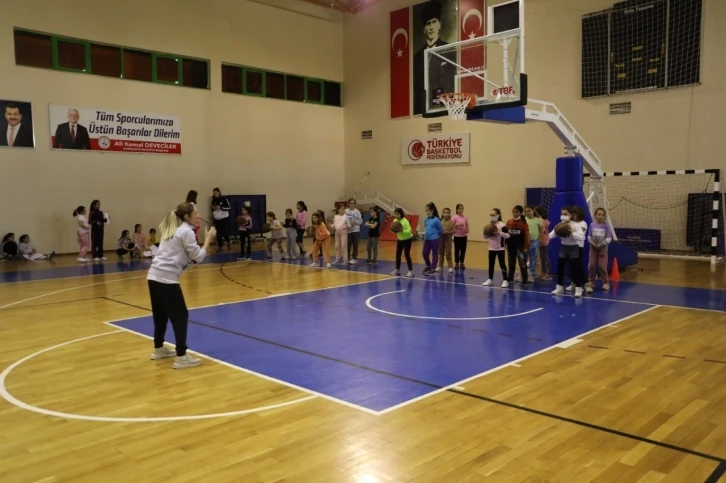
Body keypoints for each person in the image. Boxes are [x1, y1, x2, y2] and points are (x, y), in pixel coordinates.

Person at [147, 203, 215, 369]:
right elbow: (198, 257)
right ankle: (181, 356)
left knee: (160, 315)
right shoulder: (186, 231)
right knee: (180, 316)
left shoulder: (174, 230)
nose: (197, 216)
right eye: (195, 213)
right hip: (166, 279)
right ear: (186, 216)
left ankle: (158, 348)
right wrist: (208, 239)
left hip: (153, 276)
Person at [413, 1, 456, 115]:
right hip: (423, 107)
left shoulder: (449, 50)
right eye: (428, 24)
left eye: (434, 22)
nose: (431, 27)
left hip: (443, 105)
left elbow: (450, 82)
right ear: (424, 29)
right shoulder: (417, 57)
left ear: (439, 25)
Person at [550, 206, 586, 297]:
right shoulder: (560, 225)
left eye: (565, 214)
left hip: (574, 247)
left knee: (575, 268)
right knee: (560, 267)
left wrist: (572, 233)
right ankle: (559, 287)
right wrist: (545, 237)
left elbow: (582, 237)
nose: (563, 215)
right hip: (564, 247)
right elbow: (552, 234)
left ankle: (578, 288)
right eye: (562, 214)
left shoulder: (575, 225)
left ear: (571, 215)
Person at [586, 208, 613, 292]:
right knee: (591, 266)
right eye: (599, 214)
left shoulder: (606, 226)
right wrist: (592, 243)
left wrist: (601, 244)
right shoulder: (591, 225)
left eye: (602, 215)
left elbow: (609, 238)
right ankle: (591, 281)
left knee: (602, 267)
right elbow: (589, 236)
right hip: (593, 249)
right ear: (595, 215)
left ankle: (606, 282)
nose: (601, 216)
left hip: (603, 249)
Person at [482, 208, 510, 287]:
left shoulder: (502, 225)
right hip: (491, 248)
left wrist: (499, 233)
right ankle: (490, 279)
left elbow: (508, 235)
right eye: (490, 215)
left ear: (498, 215)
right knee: (491, 264)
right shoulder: (489, 225)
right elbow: (485, 237)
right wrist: (484, 233)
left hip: (500, 248)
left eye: (493, 215)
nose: (492, 216)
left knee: (502, 264)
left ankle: (505, 280)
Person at [505, 205, 530, 286]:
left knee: (522, 263)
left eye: (517, 212)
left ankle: (524, 280)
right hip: (511, 246)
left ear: (521, 213)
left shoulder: (523, 223)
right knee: (511, 262)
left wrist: (526, 247)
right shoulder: (509, 221)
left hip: (520, 246)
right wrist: (505, 243)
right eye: (514, 212)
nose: (515, 214)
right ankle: (510, 277)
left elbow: (526, 235)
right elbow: (506, 234)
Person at [390, 208, 414, 278]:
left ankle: (411, 271)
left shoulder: (405, 221)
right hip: (400, 239)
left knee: (406, 254)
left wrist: (402, 230)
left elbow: (409, 231)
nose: (396, 215)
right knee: (398, 255)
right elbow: (393, 230)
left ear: (401, 214)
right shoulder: (395, 220)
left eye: (398, 214)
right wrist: (393, 230)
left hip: (407, 239)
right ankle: (397, 269)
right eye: (395, 214)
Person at [422, 202, 443, 276]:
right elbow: (426, 228)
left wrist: (436, 236)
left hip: (435, 239)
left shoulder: (436, 220)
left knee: (435, 253)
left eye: (428, 210)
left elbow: (440, 230)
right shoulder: (426, 219)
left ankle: (433, 268)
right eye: (426, 211)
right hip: (427, 239)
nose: (426, 212)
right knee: (424, 253)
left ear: (432, 210)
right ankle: (429, 265)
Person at [524, 205, 543, 280]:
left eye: (529, 211)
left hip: (534, 242)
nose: (527, 212)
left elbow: (541, 231)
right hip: (525, 242)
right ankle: (523, 274)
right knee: (523, 259)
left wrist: (539, 240)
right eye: (526, 211)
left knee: (533, 259)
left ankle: (531, 274)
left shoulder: (537, 220)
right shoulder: (523, 220)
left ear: (533, 211)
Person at [534, 206, 551, 280]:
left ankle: (549, 274)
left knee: (545, 256)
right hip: (544, 238)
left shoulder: (540, 220)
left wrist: (539, 240)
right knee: (542, 257)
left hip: (542, 239)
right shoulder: (545, 219)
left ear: (537, 212)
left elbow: (542, 231)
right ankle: (543, 272)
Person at [345, 198, 362, 265]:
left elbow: (361, 221)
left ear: (355, 204)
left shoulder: (357, 212)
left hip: (355, 230)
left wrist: (355, 222)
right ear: (348, 204)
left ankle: (354, 258)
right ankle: (347, 258)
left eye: (353, 203)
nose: (352, 205)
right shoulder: (346, 211)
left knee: (355, 244)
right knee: (348, 245)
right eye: (350, 203)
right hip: (348, 231)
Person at [438, 207, 455, 273]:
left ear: (449, 214)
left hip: (448, 239)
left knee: (448, 253)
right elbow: (437, 229)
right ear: (442, 213)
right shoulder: (440, 221)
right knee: (440, 253)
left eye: (447, 213)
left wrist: (447, 232)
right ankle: (440, 266)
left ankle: (450, 267)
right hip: (441, 239)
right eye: (445, 213)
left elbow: (454, 231)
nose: (446, 214)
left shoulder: (451, 222)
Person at [452, 204, 469, 269]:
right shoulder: (454, 217)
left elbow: (467, 225)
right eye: (459, 208)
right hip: (457, 236)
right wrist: (456, 225)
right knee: (457, 250)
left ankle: (462, 262)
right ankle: (456, 263)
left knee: (463, 250)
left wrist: (467, 229)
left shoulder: (465, 217)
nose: (461, 210)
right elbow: (451, 225)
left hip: (464, 236)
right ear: (456, 210)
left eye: (462, 208)